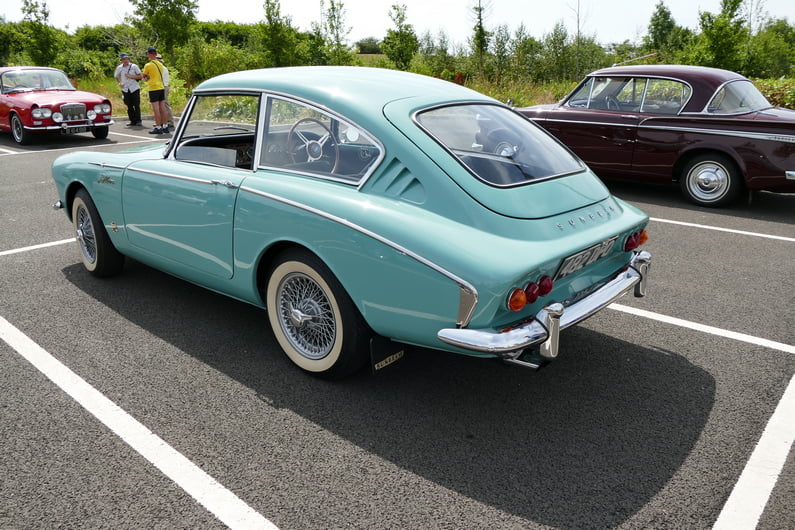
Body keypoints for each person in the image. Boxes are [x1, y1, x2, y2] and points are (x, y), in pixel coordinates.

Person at [137, 46, 168, 135]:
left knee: (156, 108)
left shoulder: (148, 65)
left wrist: (146, 78)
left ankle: (158, 127)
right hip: (161, 86)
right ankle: (165, 126)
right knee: (163, 107)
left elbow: (144, 76)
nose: (147, 55)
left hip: (153, 87)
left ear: (150, 54)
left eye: (147, 53)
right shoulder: (160, 64)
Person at [113, 53, 142, 127]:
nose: (125, 60)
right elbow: (116, 76)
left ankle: (138, 120)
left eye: (126, 59)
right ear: (121, 60)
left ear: (129, 59)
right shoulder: (119, 67)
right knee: (129, 105)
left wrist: (131, 76)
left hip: (134, 88)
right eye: (123, 59)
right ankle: (132, 120)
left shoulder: (134, 66)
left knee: (136, 105)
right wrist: (120, 83)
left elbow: (140, 76)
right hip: (125, 88)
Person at [155, 54, 174, 129]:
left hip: (163, 87)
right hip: (159, 87)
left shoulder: (162, 68)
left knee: (165, 104)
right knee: (159, 105)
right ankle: (162, 121)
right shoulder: (159, 68)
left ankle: (170, 121)